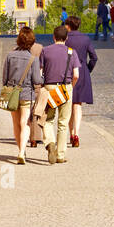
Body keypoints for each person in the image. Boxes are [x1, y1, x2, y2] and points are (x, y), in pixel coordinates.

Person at [37, 25, 80, 165]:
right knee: (63, 122)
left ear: (53, 37)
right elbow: (76, 75)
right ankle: (60, 155)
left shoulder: (45, 51)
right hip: (65, 88)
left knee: (48, 120)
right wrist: (70, 88)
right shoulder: (71, 52)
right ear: (66, 38)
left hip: (50, 87)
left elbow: (40, 73)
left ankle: (50, 142)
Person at [1, 26, 42, 164]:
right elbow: (36, 80)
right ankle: (21, 152)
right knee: (25, 123)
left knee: (16, 123)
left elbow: (4, 79)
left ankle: (21, 150)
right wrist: (43, 79)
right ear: (32, 41)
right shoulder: (33, 59)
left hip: (12, 94)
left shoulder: (10, 56)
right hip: (26, 94)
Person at [65, 15, 97, 149]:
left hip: (67, 72)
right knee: (77, 104)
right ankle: (76, 133)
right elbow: (94, 57)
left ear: (68, 26)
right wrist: (87, 69)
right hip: (82, 71)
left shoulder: (65, 38)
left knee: (68, 104)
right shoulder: (85, 38)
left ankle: (71, 133)